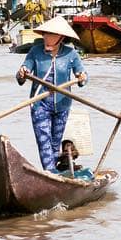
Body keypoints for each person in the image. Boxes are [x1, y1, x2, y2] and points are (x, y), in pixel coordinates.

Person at [16, 16, 87, 174]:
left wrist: (82, 77)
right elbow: (22, 73)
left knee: (55, 142)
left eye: (51, 35)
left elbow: (82, 75)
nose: (47, 38)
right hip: (39, 103)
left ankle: (55, 172)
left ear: (60, 38)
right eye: (45, 34)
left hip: (62, 104)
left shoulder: (70, 54)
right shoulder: (35, 52)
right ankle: (50, 173)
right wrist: (22, 72)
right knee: (44, 140)